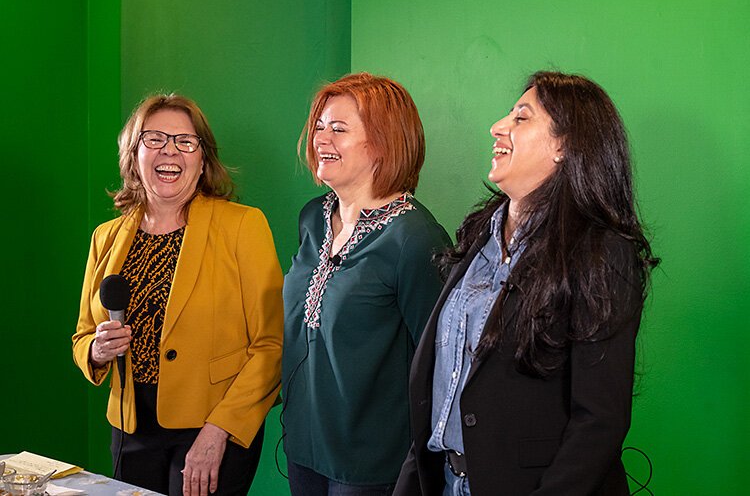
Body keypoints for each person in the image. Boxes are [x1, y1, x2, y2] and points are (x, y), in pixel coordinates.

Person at [394, 71, 659, 496]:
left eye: (521, 118)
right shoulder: (480, 233)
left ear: (564, 145)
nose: (498, 127)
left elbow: (599, 420)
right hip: (446, 481)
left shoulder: (602, 251)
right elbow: (446, 384)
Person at [72, 94, 283, 496]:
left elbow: (270, 347)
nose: (170, 150)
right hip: (130, 427)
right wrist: (98, 351)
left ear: (203, 160)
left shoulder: (243, 226)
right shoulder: (106, 237)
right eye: (155, 139)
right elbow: (83, 336)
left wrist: (218, 432)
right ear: (134, 154)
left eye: (185, 141)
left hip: (213, 429)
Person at [282, 72, 451, 495]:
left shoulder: (415, 239)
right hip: (303, 447)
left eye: (338, 129)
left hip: (373, 467)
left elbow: (440, 364)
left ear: (383, 142)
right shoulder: (311, 218)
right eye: (319, 126)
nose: (322, 138)